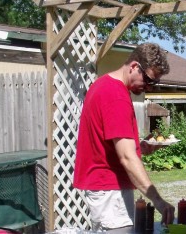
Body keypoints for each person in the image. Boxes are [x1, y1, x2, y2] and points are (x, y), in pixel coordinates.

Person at [73, 43, 175, 232]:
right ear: (135, 67)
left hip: (103, 187)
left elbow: (109, 143)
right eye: (149, 80)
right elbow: (126, 157)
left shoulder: (102, 84)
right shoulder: (116, 96)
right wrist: (158, 200)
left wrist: (140, 147)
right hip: (110, 189)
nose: (150, 88)